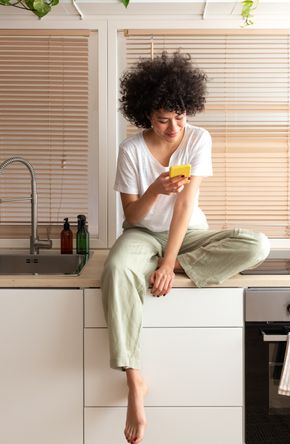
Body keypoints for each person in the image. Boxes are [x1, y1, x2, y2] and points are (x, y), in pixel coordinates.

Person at [101, 52, 270, 444]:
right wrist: (153, 189)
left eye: (180, 116)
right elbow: (131, 218)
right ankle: (134, 380)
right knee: (115, 270)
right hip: (143, 234)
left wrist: (169, 263)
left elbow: (185, 206)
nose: (173, 126)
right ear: (146, 114)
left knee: (256, 244)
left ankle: (164, 266)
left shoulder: (198, 138)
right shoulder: (130, 151)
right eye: (163, 119)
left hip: (188, 232)